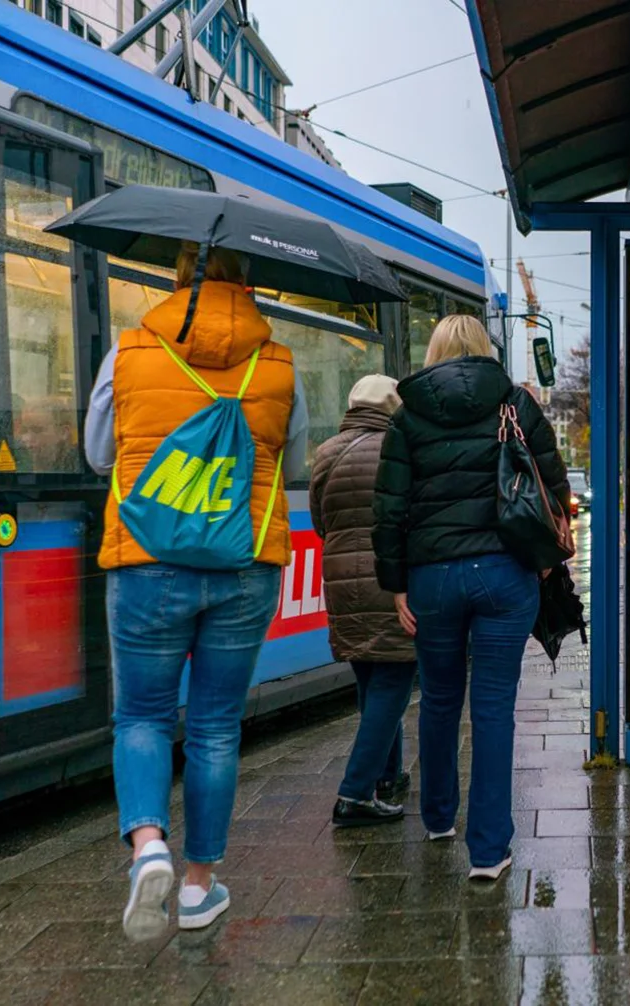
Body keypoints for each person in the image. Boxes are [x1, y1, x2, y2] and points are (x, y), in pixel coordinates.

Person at [84, 243, 306, 941]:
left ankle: (147, 844)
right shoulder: (279, 363)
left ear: (179, 274)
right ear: (249, 278)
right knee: (214, 727)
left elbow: (98, 451)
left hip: (147, 555)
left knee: (143, 714)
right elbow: (289, 462)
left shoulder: (129, 349)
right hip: (244, 564)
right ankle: (200, 885)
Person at [372, 315, 568, 880]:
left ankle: (437, 818)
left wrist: (396, 585)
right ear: (485, 350)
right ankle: (489, 851)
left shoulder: (407, 418)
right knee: (493, 707)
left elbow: (388, 510)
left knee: (437, 698)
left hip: (433, 578)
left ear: (433, 351)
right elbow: (552, 486)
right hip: (504, 573)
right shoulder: (516, 404)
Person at [309, 374, 416, 827]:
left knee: (371, 682)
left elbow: (320, 522)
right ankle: (354, 794)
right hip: (388, 580)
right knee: (393, 683)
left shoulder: (327, 452)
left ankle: (386, 775)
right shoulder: (398, 447)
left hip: (340, 581)